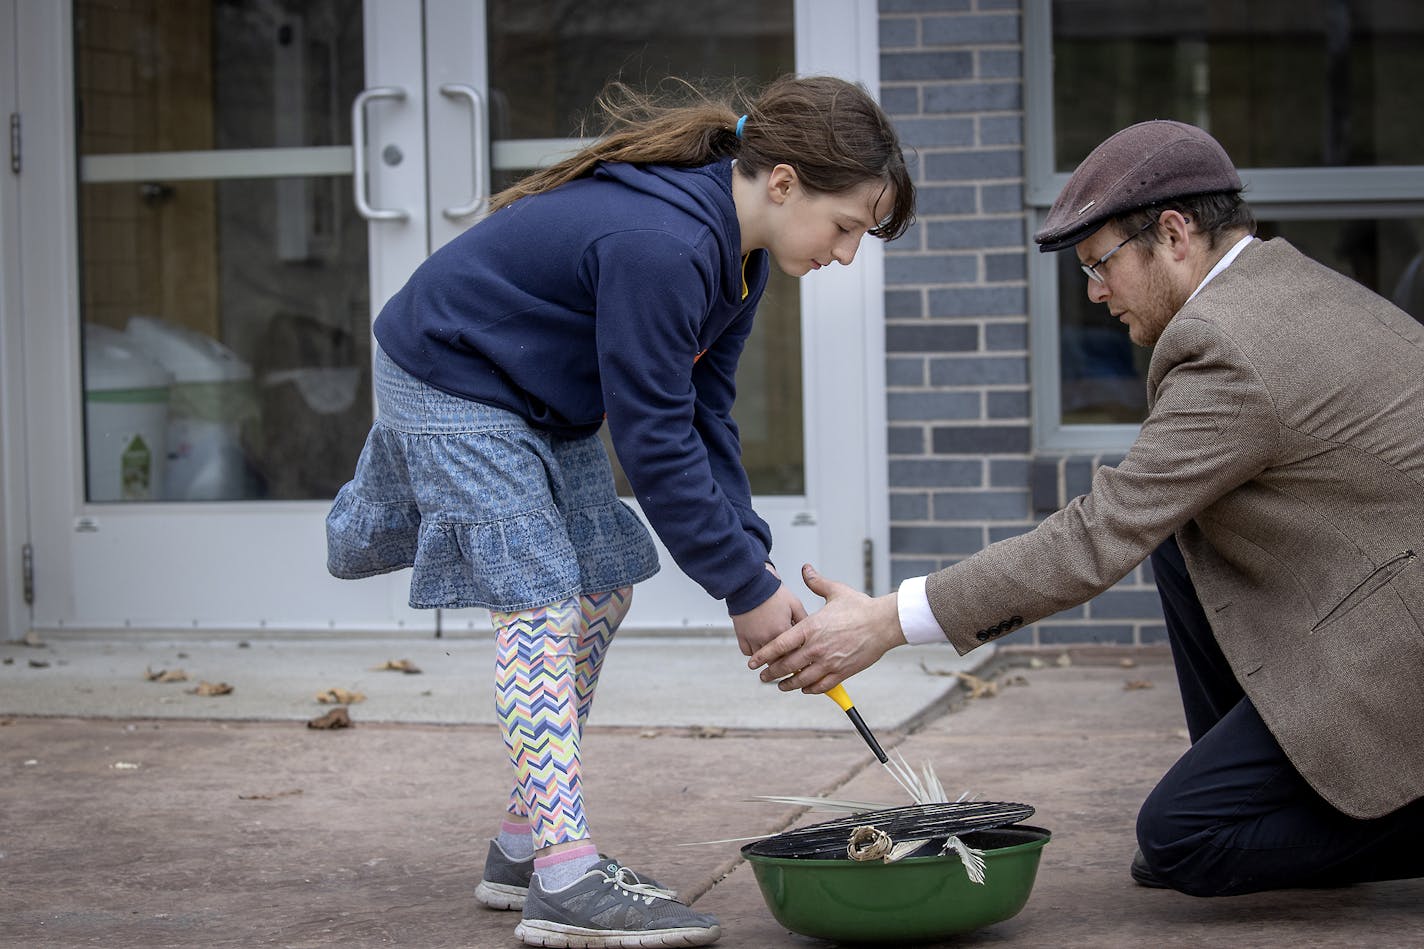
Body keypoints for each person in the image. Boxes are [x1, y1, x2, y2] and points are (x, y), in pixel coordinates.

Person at [748, 119, 1424, 897]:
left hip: (1400, 647)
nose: (1095, 293)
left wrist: (884, 621)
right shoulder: (1282, 285)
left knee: (1187, 841)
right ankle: (1283, 791)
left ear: (1173, 234)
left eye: (1101, 265)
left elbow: (1098, 533)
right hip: (1383, 586)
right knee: (1182, 533)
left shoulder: (1228, 342)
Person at [326, 74, 913, 947]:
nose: (846, 253)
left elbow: (702, 412)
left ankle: (525, 845)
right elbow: (651, 439)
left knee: (602, 586)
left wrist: (748, 565)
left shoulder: (740, 259)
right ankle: (565, 879)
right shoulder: (664, 243)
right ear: (784, 182)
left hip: (536, 391)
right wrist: (741, 593)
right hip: (453, 377)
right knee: (540, 603)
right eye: (847, 227)